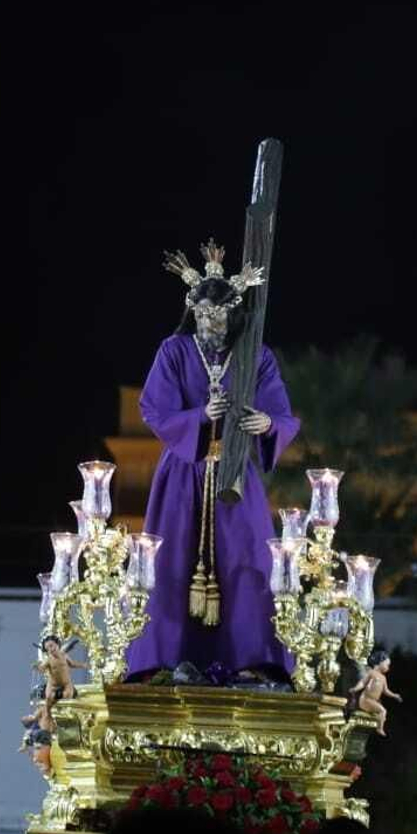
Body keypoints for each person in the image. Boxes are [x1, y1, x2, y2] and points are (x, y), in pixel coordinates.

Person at [123, 239, 301, 682]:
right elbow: (154, 410)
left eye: (217, 315)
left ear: (233, 314)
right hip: (183, 473)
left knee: (250, 560)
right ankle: (164, 661)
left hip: (236, 475)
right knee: (171, 561)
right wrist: (200, 416)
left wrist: (267, 423)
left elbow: (282, 415)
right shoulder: (174, 350)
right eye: (202, 314)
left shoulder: (255, 355)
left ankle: (253, 660)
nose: (209, 323)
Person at [350, 651, 403, 735]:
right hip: (366, 700)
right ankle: (379, 728)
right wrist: (355, 688)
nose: (388, 668)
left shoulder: (383, 678)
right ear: (380, 662)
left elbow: (386, 691)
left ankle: (379, 722)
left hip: (373, 701)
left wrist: (394, 695)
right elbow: (363, 683)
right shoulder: (371, 673)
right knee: (383, 711)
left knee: (381, 713)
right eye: (387, 665)